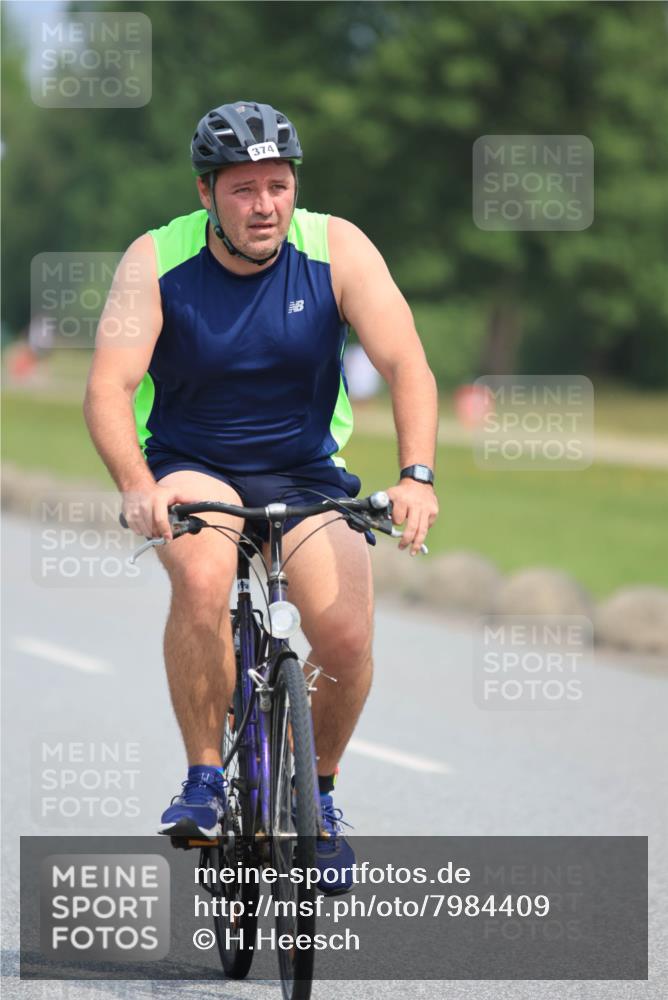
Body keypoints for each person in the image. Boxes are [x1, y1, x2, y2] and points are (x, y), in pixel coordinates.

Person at [83, 101, 439, 893]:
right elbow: (108, 389)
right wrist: (137, 488)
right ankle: (206, 781)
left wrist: (417, 475)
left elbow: (409, 364)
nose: (264, 205)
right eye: (243, 189)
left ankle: (319, 796)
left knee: (344, 634)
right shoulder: (156, 258)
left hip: (304, 473)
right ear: (207, 192)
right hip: (191, 463)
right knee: (205, 581)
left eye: (277, 185)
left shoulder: (336, 246)